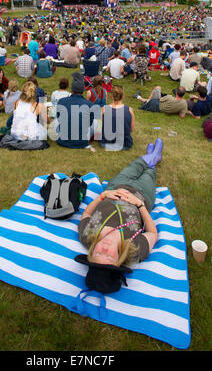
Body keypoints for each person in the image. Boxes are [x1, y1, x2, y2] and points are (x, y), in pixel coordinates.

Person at [74, 139, 163, 294]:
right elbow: (153, 234)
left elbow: (86, 214)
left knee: (135, 165)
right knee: (149, 172)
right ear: (119, 260)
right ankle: (153, 158)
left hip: (117, 185)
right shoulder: (133, 250)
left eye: (99, 253)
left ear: (92, 252)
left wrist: (103, 195)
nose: (105, 249)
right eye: (109, 257)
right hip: (143, 194)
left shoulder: (88, 236)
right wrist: (139, 205)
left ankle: (151, 157)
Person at [56, 72, 99, 149]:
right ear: (83, 90)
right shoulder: (89, 104)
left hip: (63, 140)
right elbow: (90, 123)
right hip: (81, 141)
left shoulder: (61, 101)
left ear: (72, 89)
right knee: (96, 122)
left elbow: (59, 119)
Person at [100, 85, 135, 151]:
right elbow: (131, 129)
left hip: (107, 142)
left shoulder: (104, 109)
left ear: (111, 96)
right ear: (123, 96)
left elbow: (98, 128)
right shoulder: (130, 110)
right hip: (125, 143)